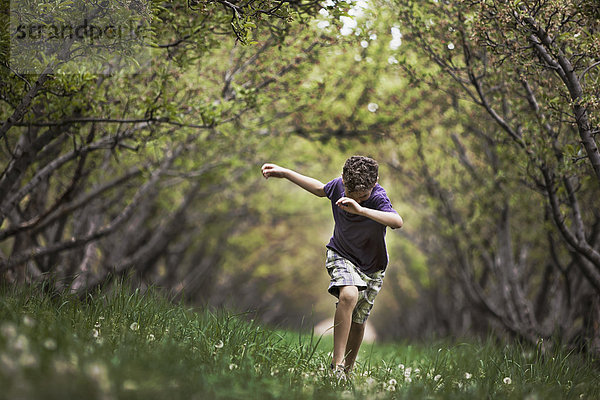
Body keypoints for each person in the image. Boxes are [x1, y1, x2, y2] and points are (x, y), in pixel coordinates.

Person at [261, 156, 403, 380]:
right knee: (349, 294)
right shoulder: (338, 185)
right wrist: (285, 172)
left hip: (372, 267)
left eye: (362, 196)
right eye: (349, 194)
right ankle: (336, 367)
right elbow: (319, 188)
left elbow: (397, 221)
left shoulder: (377, 197)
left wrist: (362, 210)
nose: (355, 199)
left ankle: (347, 369)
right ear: (343, 181)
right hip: (341, 253)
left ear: (375, 182)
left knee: (359, 320)